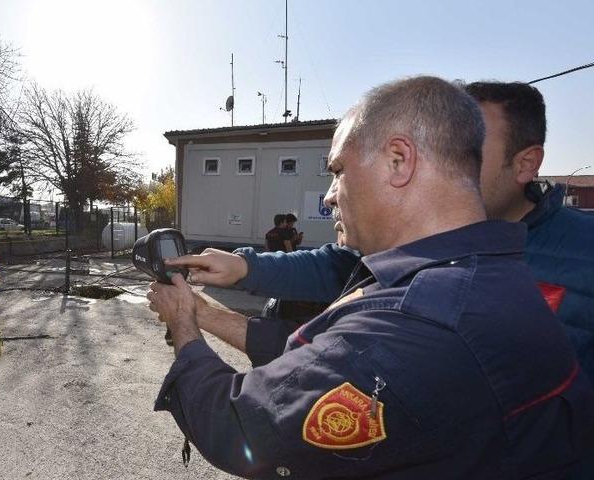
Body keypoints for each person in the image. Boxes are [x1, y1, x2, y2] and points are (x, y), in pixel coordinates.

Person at [147, 76, 594, 478]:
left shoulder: (416, 317)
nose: (328, 196)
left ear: (400, 161)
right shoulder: (485, 269)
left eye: (338, 171)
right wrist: (206, 309)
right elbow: (318, 355)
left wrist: (184, 323)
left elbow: (239, 424)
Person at [184, 81, 594, 384]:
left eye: (471, 148)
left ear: (525, 163)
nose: (449, 157)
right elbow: (334, 267)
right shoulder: (419, 241)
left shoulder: (582, 252)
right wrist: (242, 266)